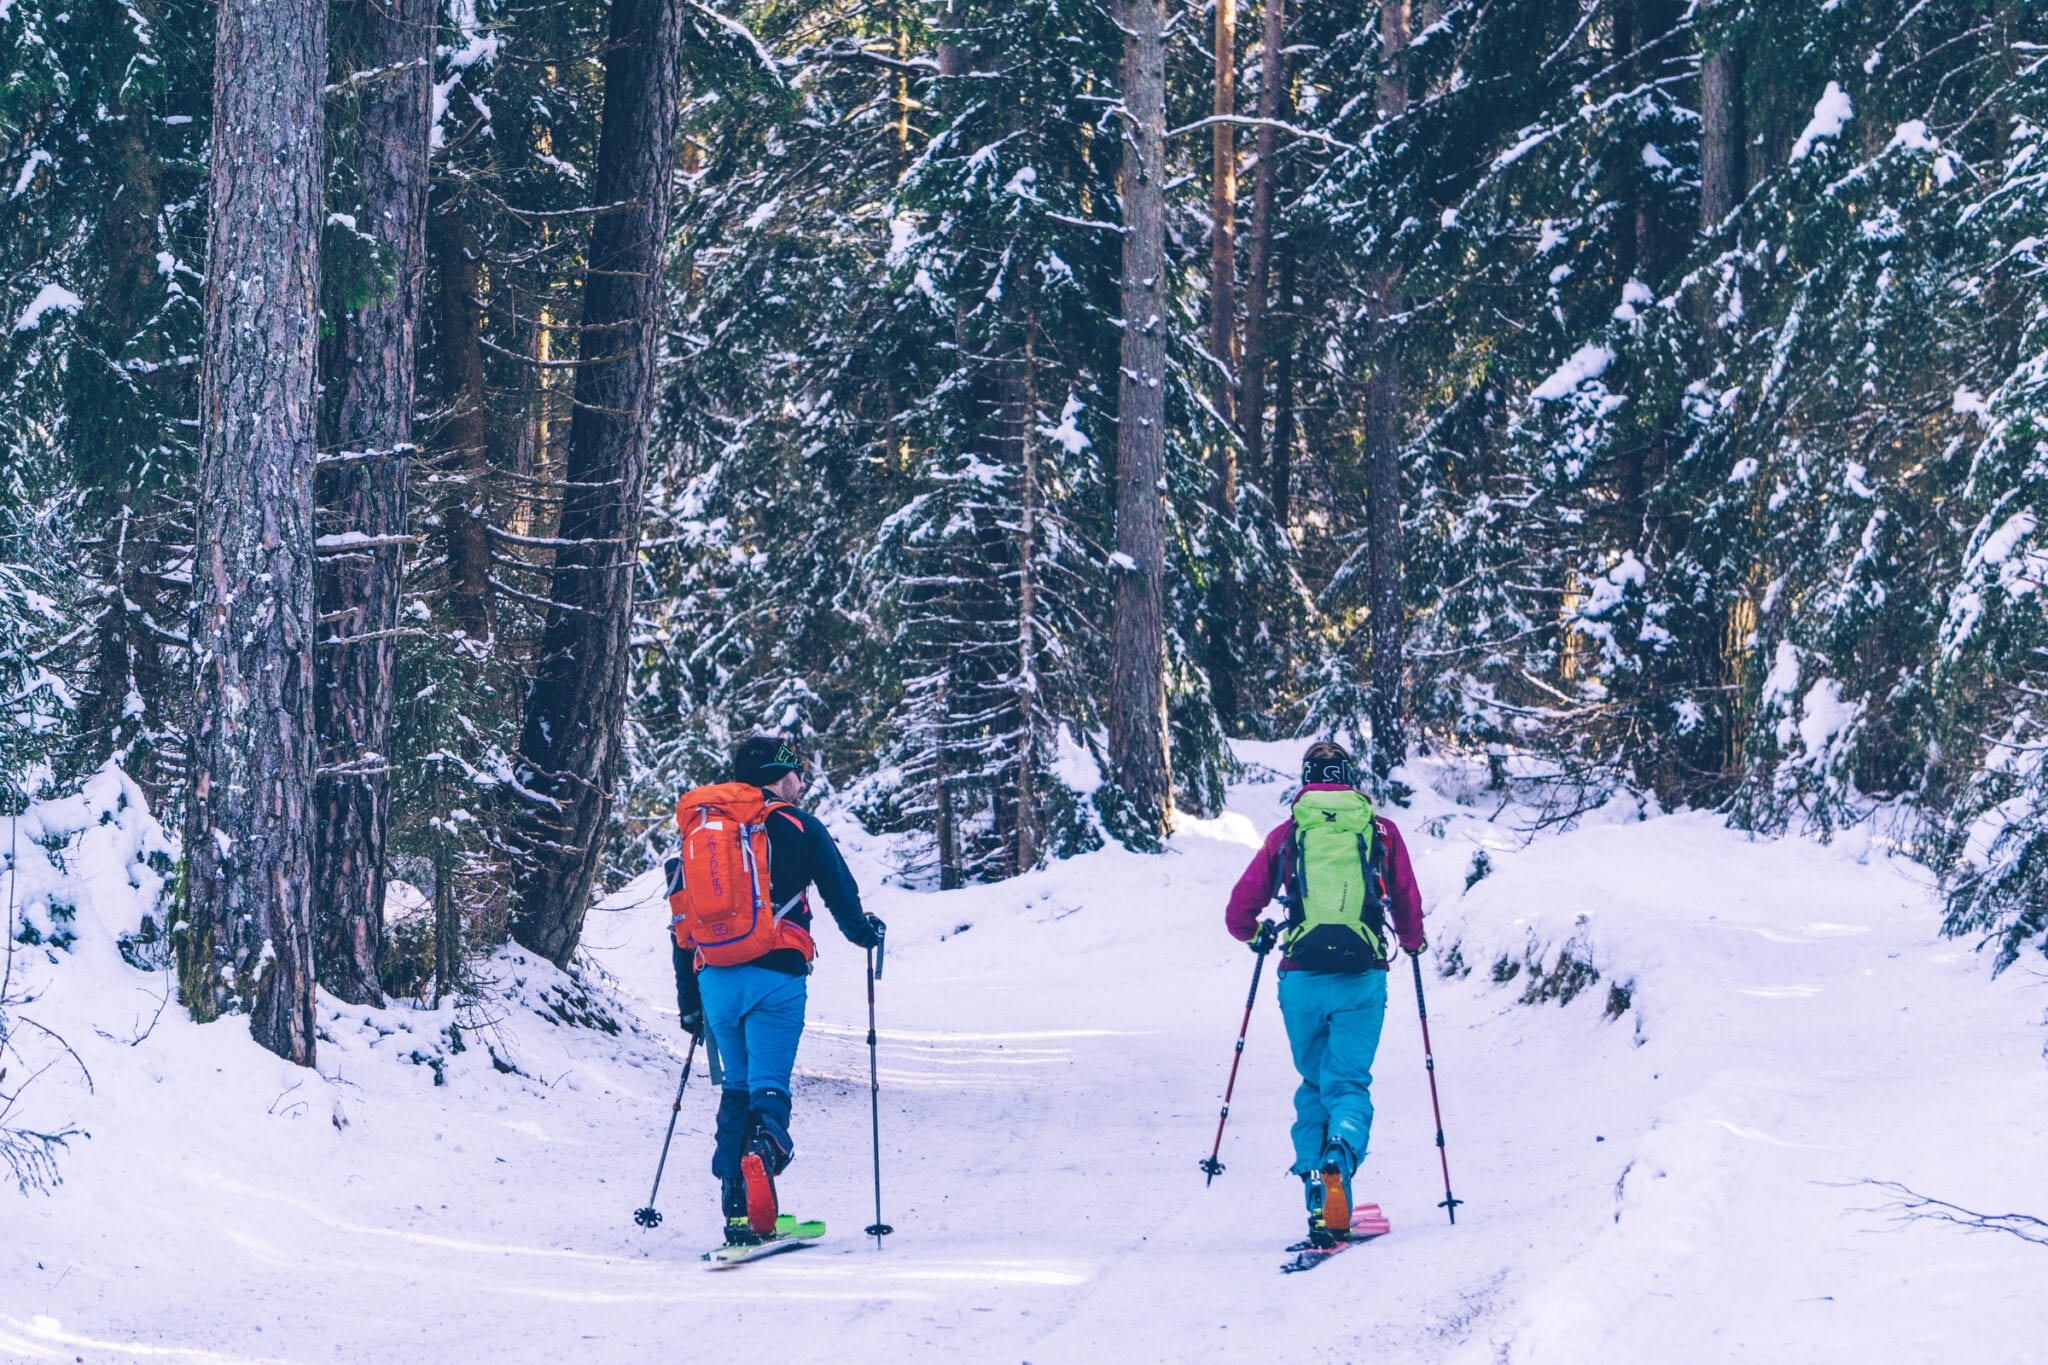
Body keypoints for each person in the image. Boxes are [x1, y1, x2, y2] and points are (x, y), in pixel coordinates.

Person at [669, 734, 884, 1245]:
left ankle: (740, 1215)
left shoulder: (702, 832)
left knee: (735, 1087)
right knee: (770, 1083)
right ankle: (765, 1151)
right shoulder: (796, 824)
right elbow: (841, 894)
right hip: (777, 971)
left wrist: (689, 1005)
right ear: (775, 775)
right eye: (796, 773)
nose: (802, 781)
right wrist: (865, 933)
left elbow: (681, 921)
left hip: (714, 977)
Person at [1223, 739, 1425, 1239]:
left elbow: (1238, 915)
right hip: (1361, 977)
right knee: (1348, 1084)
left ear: (1307, 780)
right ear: (1350, 778)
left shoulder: (1289, 834)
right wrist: (1414, 942)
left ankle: (1319, 1193)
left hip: (1301, 979)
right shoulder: (1380, 831)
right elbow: (1405, 900)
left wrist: (1258, 936)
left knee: (1315, 1085)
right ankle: (1341, 1151)